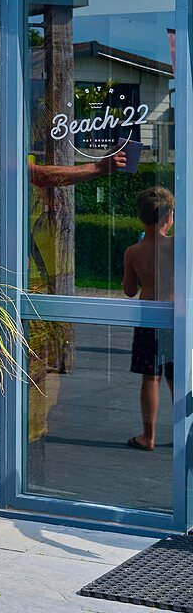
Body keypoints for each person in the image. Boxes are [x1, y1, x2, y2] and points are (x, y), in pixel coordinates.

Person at [123, 186, 175, 452]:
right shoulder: (179, 246)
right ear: (169, 217)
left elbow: (130, 290)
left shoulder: (133, 251)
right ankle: (185, 430)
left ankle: (148, 436)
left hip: (148, 318)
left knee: (150, 378)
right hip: (175, 317)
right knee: (178, 377)